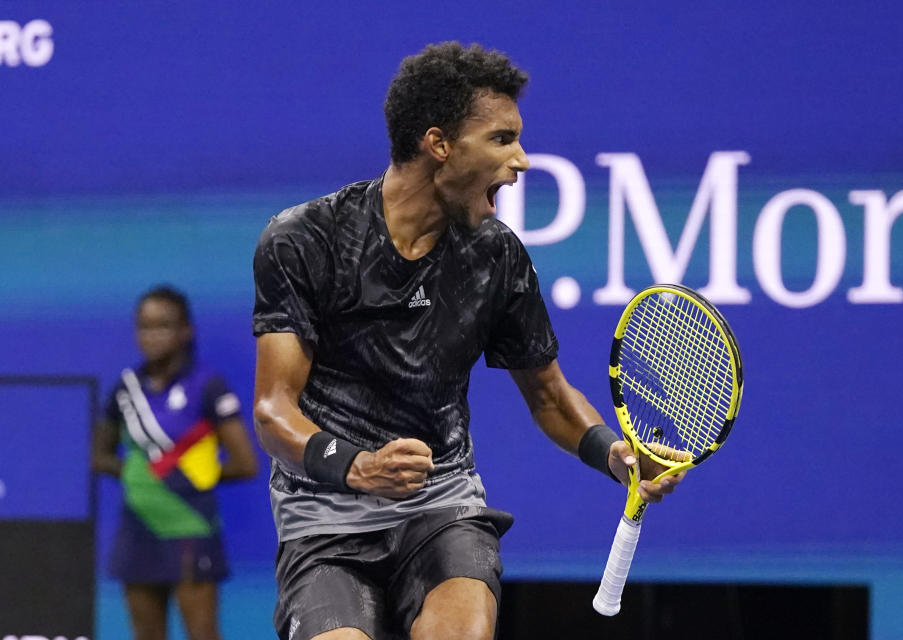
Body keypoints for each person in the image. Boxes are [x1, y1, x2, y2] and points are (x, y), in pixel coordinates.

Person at [251, 42, 684, 640]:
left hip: (441, 507)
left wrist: (613, 455)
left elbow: (550, 396)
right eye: (503, 139)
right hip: (324, 520)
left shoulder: (495, 255)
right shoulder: (305, 240)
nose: (523, 160)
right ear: (440, 144)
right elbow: (274, 412)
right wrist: (361, 466)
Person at [93, 285, 259, 640]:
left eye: (163, 326)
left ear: (187, 331)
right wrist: (140, 474)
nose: (151, 336)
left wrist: (196, 474)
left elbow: (245, 463)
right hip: (137, 531)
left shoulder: (207, 387)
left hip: (190, 530)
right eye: (144, 327)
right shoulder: (126, 390)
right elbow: (99, 456)